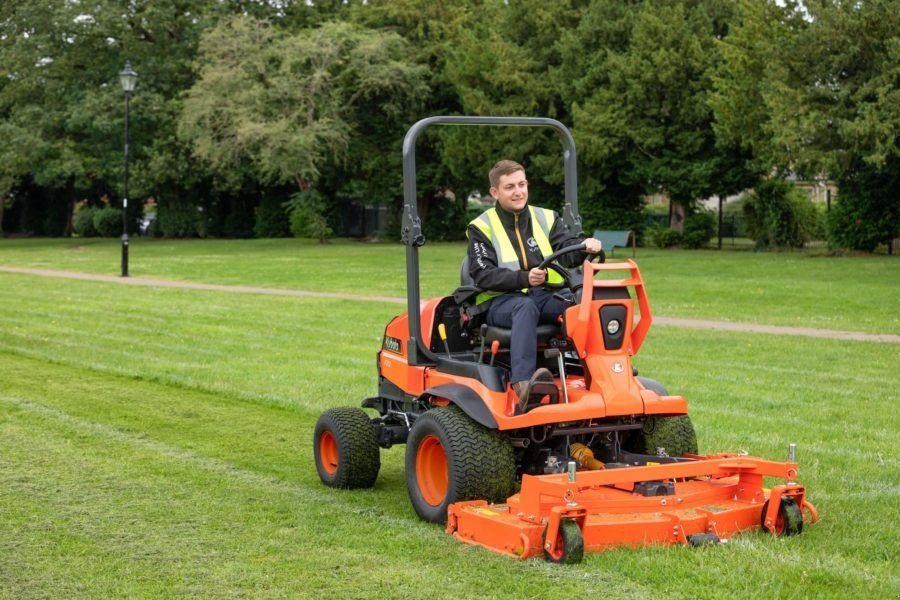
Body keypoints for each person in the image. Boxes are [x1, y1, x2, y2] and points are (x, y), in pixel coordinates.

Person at [467, 159, 602, 410]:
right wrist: (524, 278)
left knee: (581, 304)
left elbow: (568, 252)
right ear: (495, 192)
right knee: (524, 307)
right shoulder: (481, 227)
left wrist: (585, 247)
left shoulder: (546, 218)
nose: (518, 191)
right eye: (509, 187)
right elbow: (482, 274)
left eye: (521, 184)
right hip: (501, 301)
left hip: (543, 294)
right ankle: (524, 385)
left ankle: (600, 376)